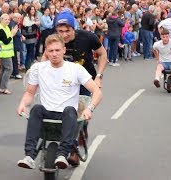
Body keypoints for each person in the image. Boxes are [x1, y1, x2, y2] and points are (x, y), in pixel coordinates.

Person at [17, 34, 102, 170]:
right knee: (36, 109)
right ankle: (29, 156)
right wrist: (23, 104)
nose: (54, 54)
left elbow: (97, 91)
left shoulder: (75, 69)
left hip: (66, 115)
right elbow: (30, 92)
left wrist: (89, 108)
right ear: (46, 51)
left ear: (64, 50)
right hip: (46, 114)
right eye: (50, 51)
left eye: (57, 50)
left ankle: (62, 154)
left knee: (70, 110)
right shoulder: (39, 68)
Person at [43, 9, 107, 166]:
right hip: (62, 82)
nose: (63, 35)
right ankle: (63, 143)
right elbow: (45, 57)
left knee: (78, 117)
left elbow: (103, 54)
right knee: (59, 113)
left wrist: (99, 77)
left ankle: (74, 150)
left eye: (67, 30)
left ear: (73, 28)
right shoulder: (54, 40)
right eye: (60, 31)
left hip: (84, 82)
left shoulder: (87, 37)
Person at [0, 13, 18, 94]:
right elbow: (6, 41)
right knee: (9, 69)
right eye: (5, 19)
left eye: (8, 19)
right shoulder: (0, 29)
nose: (7, 21)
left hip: (6, 52)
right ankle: (3, 87)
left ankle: (0, 88)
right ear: (1, 20)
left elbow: (8, 37)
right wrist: (12, 34)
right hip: (3, 53)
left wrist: (12, 32)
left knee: (3, 70)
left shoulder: (6, 27)